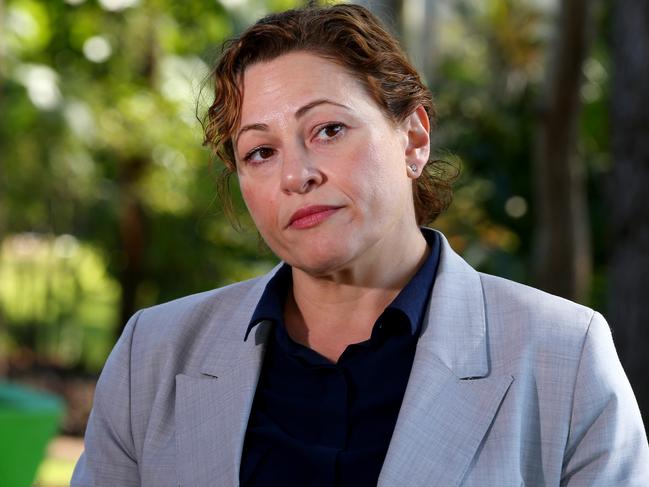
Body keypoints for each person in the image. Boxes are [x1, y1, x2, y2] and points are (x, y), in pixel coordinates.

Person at [71, 4, 649, 486]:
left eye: (328, 130)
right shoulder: (153, 356)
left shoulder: (564, 358)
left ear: (414, 138)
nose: (295, 175)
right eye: (261, 152)